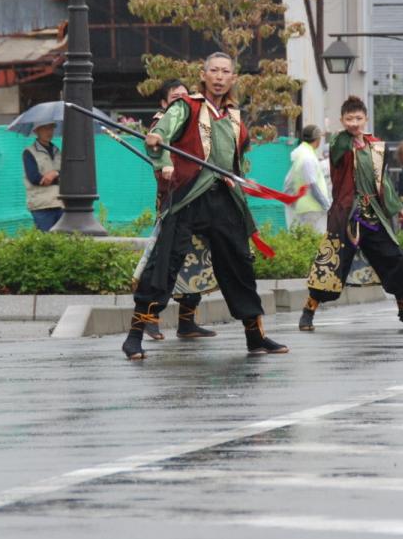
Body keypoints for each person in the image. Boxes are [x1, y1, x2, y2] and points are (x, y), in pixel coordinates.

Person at [122, 52, 287, 360]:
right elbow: (161, 132)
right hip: (189, 196)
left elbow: (236, 157)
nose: (219, 77)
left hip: (223, 198)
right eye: (214, 70)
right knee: (164, 263)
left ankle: (255, 336)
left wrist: (236, 177)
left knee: (239, 264)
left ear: (233, 78)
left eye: (225, 72)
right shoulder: (186, 106)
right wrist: (157, 142)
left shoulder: (234, 117)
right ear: (203, 74)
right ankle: (134, 336)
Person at [299, 95, 403, 331]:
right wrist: (347, 137)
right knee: (332, 262)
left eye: (358, 118)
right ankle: (308, 311)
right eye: (349, 119)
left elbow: (383, 181)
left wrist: (398, 207)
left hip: (372, 215)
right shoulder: (339, 143)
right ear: (342, 120)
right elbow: (338, 149)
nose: (354, 123)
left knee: (393, 257)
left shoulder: (376, 145)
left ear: (366, 118)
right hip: (346, 214)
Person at [141, 78, 217, 341]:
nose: (182, 102)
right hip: (175, 201)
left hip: (199, 201)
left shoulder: (198, 121)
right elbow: (159, 149)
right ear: (164, 103)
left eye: (186, 97)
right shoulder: (161, 122)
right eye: (176, 98)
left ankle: (187, 321)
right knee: (166, 260)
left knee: (196, 261)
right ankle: (149, 318)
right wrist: (165, 165)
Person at [284, 124, 331, 233]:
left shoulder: (301, 154)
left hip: (307, 207)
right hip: (313, 208)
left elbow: (288, 183)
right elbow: (312, 185)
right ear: (318, 139)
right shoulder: (308, 157)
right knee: (315, 240)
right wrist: (327, 205)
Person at [22, 121, 63, 231]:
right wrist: (58, 179)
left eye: (51, 128)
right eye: (45, 128)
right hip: (42, 205)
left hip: (61, 203)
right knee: (46, 238)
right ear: (36, 131)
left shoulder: (57, 151)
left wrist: (54, 174)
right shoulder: (29, 152)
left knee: (64, 238)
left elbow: (67, 173)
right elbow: (35, 179)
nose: (49, 131)